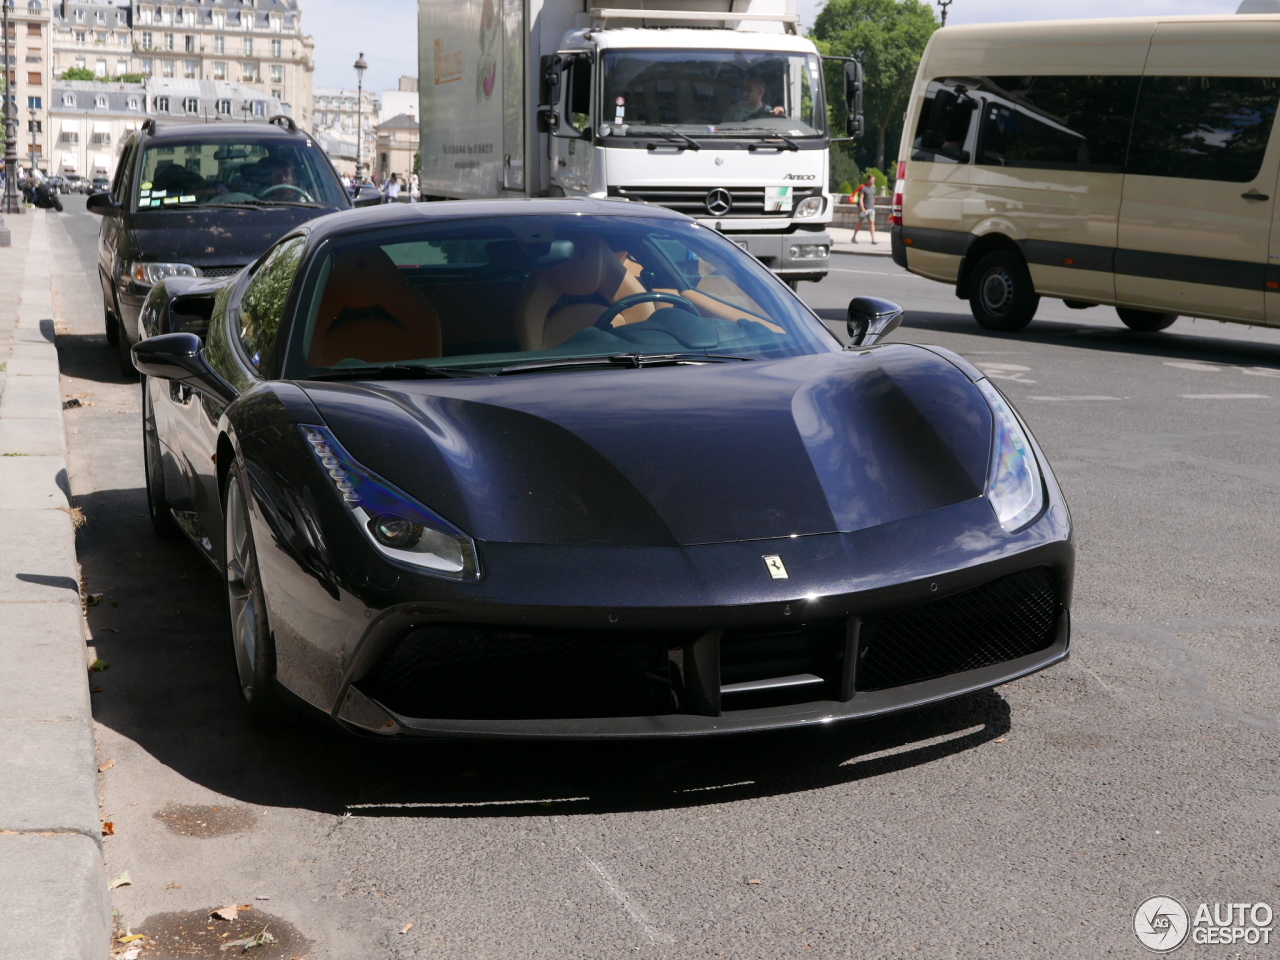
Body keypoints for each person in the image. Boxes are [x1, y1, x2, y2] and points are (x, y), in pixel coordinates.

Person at [852, 172, 878, 245]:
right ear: (868, 180)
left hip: (871, 208)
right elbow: (861, 199)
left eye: (873, 180)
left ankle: (873, 239)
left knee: (872, 222)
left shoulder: (874, 188)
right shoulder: (864, 188)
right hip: (864, 208)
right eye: (871, 180)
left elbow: (874, 197)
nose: (872, 181)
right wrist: (862, 208)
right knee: (860, 223)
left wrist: (873, 204)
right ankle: (854, 237)